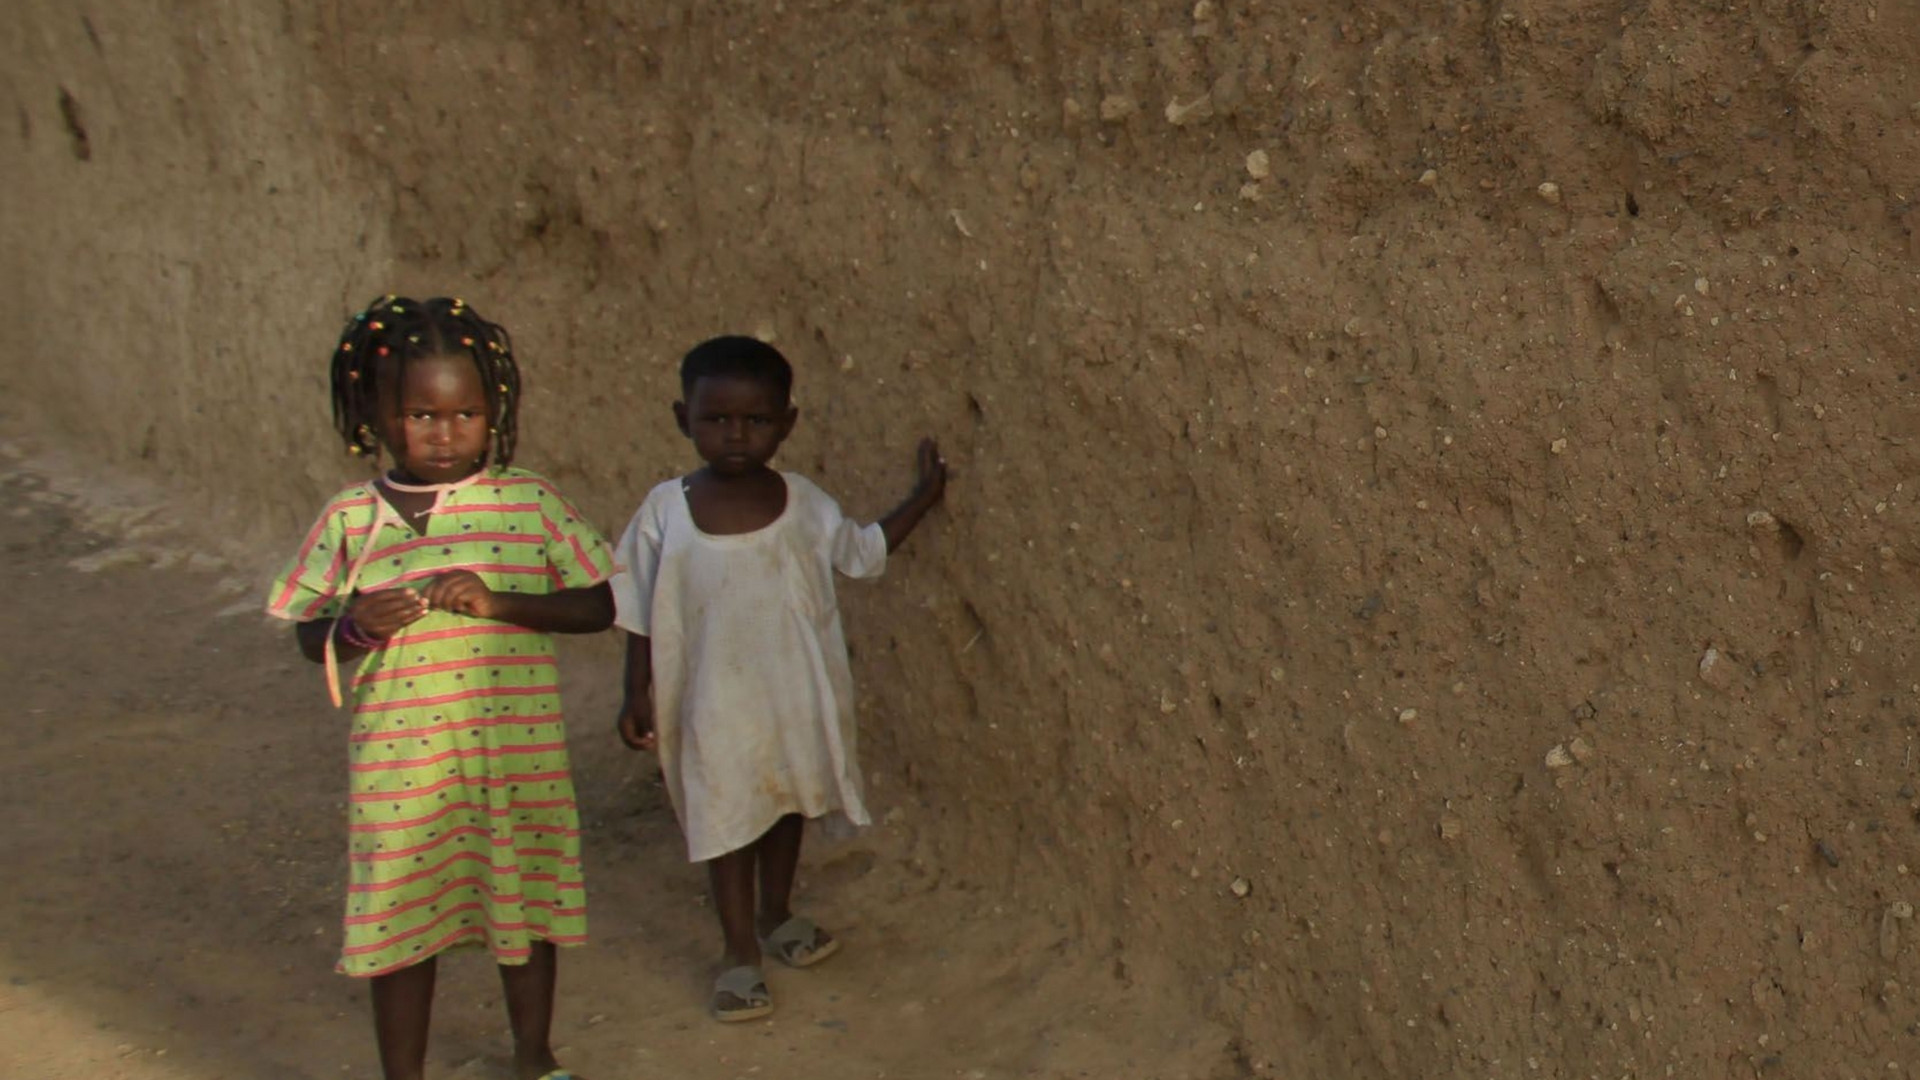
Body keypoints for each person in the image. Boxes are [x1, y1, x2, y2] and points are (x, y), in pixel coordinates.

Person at [266, 295, 612, 1080]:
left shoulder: (529, 503)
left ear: (494, 413)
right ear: (374, 414)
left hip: (515, 756)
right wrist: (357, 627)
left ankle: (535, 1056)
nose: (445, 434)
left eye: (466, 415)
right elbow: (308, 636)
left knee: (524, 903)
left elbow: (598, 606)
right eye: (421, 414)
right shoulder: (350, 519)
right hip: (402, 769)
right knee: (400, 919)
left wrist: (502, 602)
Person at [609, 335, 946, 1022]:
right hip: (711, 706)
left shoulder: (804, 504)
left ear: (787, 423)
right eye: (716, 419)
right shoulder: (665, 513)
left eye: (756, 420)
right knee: (727, 822)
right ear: (682, 419)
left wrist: (923, 497)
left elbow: (862, 552)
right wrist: (634, 691)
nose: (736, 435)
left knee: (787, 802)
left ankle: (777, 914)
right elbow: (636, 607)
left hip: (791, 697)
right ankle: (739, 954)